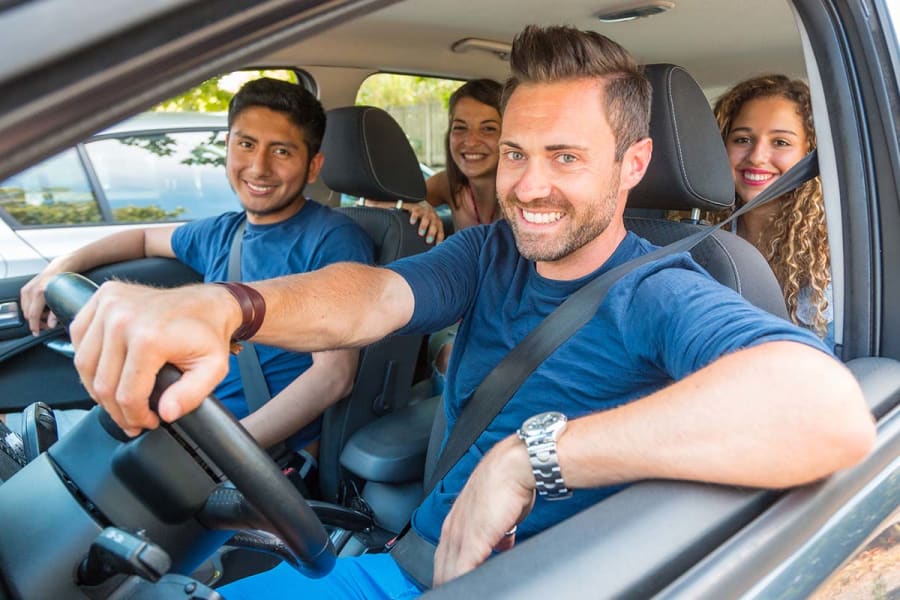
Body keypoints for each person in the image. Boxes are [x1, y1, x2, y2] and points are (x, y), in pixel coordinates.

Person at [67, 26, 875, 597]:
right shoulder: (492, 252)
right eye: (516, 153)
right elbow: (373, 297)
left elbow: (828, 410)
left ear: (632, 165)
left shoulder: (662, 288)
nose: (526, 186)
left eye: (565, 157)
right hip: (402, 561)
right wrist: (227, 305)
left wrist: (534, 456)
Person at [18, 77, 374, 463]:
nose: (259, 167)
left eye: (282, 151)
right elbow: (141, 239)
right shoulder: (223, 232)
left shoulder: (334, 239)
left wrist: (224, 450)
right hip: (185, 426)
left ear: (312, 166)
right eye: (246, 144)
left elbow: (333, 377)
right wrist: (61, 266)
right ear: (228, 147)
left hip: (251, 454)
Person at [714, 75, 833, 347]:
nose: (756, 156)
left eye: (780, 142)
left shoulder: (835, 259)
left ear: (810, 154)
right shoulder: (693, 241)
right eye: (742, 139)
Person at [361, 78, 503, 245]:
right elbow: (371, 203)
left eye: (488, 129)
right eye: (460, 127)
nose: (471, 141)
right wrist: (415, 205)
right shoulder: (449, 184)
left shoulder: (525, 192)